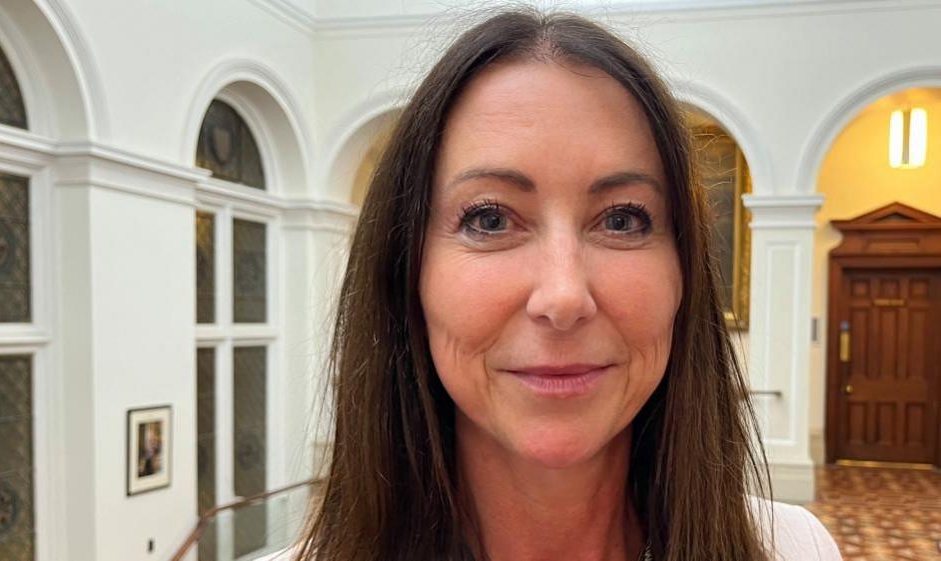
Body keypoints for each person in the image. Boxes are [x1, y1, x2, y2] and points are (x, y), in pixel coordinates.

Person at [272, 9, 842, 561]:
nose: (564, 296)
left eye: (622, 219)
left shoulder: (795, 550)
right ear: (407, 273)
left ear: (684, 275)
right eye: (489, 219)